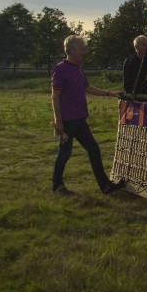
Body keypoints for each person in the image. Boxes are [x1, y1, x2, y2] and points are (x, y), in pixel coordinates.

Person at [51, 35, 124, 195]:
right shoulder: (61, 69)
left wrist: (110, 94)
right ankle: (57, 185)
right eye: (82, 49)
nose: (84, 52)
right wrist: (58, 121)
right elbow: (55, 96)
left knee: (93, 149)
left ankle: (105, 186)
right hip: (68, 121)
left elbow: (88, 88)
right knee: (65, 153)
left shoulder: (78, 68)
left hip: (80, 119)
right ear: (72, 50)